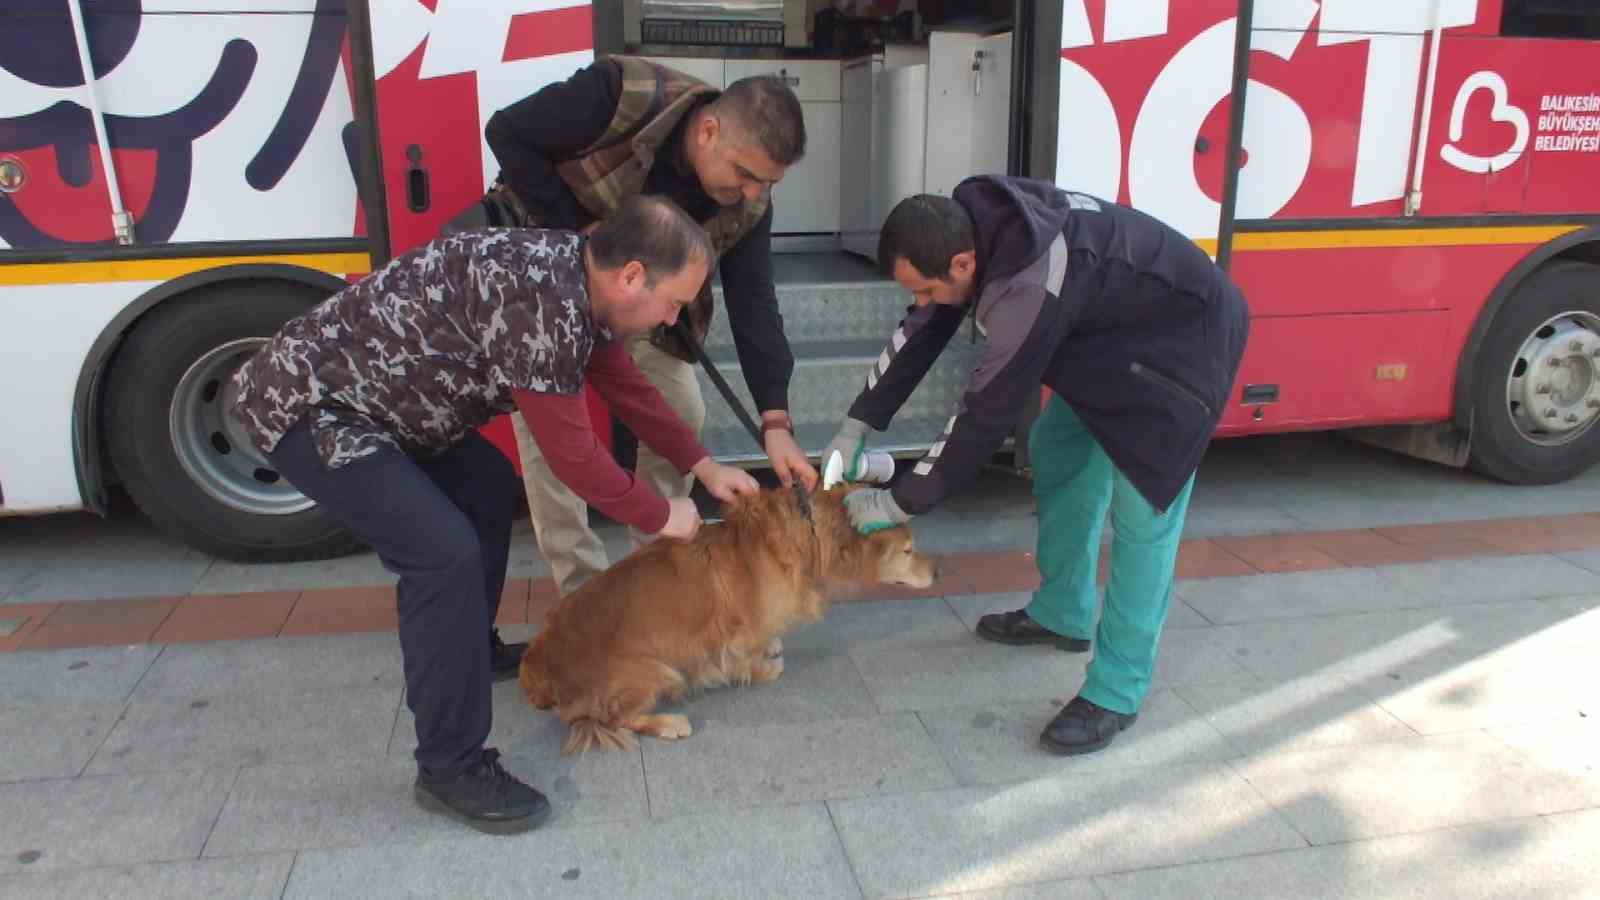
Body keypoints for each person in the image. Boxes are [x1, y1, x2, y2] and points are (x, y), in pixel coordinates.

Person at [228, 196, 759, 833]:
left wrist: (701, 465)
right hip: (314, 411)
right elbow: (575, 458)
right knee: (440, 555)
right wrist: (659, 513)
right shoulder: (543, 304)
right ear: (632, 277)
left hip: (387, 411)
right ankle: (450, 766)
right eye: (674, 303)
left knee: (484, 486)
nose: (674, 318)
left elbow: (626, 388)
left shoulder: (577, 281)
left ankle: (467, 649)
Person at [824, 176, 1249, 755]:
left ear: (963, 262)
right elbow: (922, 326)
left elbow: (982, 414)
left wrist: (897, 500)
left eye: (925, 289)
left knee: (1143, 510)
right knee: (1059, 449)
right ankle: (1063, 612)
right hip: (1107, 343)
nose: (921, 302)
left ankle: (1116, 691)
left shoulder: (1025, 284)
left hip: (1181, 350)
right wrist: (857, 423)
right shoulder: (971, 231)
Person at [444, 55, 818, 600]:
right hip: (552, 292)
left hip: (649, 306)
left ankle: (654, 567)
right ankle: (586, 593)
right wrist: (581, 238)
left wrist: (775, 420)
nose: (755, 193)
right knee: (556, 441)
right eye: (747, 175)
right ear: (710, 130)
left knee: (681, 408)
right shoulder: (623, 93)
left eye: (768, 183)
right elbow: (508, 130)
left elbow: (754, 300)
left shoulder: (749, 201)